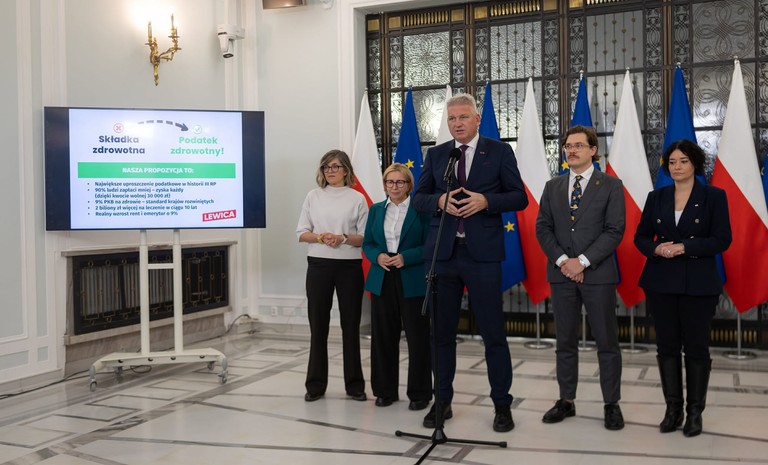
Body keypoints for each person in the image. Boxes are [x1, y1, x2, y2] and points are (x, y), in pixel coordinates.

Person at [413, 93, 528, 433]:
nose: (457, 123)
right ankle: (442, 401)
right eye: (452, 118)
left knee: (493, 334)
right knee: (441, 335)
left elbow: (519, 197)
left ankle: (502, 405)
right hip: (443, 256)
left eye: (463, 117)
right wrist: (440, 201)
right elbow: (418, 198)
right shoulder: (437, 154)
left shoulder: (499, 151)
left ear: (477, 119)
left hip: (483, 256)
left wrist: (486, 201)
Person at [634, 139, 731, 437]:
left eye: (683, 161)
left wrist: (684, 246)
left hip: (699, 283)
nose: (677, 167)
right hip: (660, 282)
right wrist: (656, 248)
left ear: (695, 164)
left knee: (697, 348)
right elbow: (641, 237)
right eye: (672, 162)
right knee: (666, 347)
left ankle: (694, 413)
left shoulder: (714, 196)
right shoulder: (656, 197)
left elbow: (722, 239)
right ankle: (672, 410)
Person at [535, 125, 626, 431]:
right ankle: (566, 400)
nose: (571, 150)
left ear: (593, 150)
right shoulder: (553, 186)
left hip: (597, 275)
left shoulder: (611, 185)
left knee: (607, 341)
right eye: (567, 146)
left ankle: (611, 404)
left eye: (578, 145)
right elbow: (542, 228)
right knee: (565, 341)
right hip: (561, 275)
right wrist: (563, 261)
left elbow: (615, 230)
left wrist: (582, 262)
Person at [296, 149, 368, 403]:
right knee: (318, 327)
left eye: (335, 166)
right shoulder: (313, 196)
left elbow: (365, 237)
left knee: (351, 326)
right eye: (326, 167)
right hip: (319, 265)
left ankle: (355, 385)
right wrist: (320, 237)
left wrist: (343, 238)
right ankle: (315, 385)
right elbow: (301, 233)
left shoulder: (357, 198)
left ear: (346, 170)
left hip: (350, 267)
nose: (330, 171)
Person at [362, 163, 432, 410]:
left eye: (400, 182)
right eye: (389, 182)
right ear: (384, 185)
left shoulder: (421, 210)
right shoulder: (376, 210)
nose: (394, 186)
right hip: (382, 277)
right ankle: (384, 391)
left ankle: (420, 393)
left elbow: (430, 245)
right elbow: (368, 243)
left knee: (418, 337)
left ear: (409, 185)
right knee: (383, 337)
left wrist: (406, 257)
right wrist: (378, 256)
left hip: (412, 278)